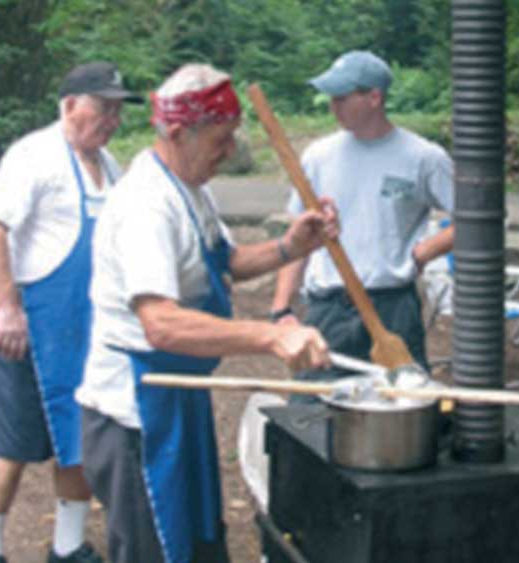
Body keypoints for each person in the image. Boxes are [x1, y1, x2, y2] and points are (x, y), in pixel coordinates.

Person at [74, 63, 339, 563]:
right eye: (221, 140)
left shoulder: (191, 187)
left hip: (177, 397)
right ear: (178, 133)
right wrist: (269, 335)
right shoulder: (146, 207)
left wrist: (290, 245)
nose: (230, 152)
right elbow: (161, 323)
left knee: (198, 540)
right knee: (155, 549)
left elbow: (227, 262)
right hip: (135, 413)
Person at [0, 61, 141, 563]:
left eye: (116, 111)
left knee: (79, 435)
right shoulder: (33, 157)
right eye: (102, 108)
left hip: (87, 330)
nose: (112, 120)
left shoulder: (110, 167)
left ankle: (67, 546)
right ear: (70, 106)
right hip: (30, 327)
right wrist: (6, 308)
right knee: (11, 443)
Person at [269, 50, 455, 385]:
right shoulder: (318, 156)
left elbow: (476, 221)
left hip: (392, 306)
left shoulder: (423, 157)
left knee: (402, 411)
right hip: (328, 307)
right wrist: (281, 308)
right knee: (309, 415)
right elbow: (298, 238)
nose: (332, 105)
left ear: (374, 97)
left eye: (342, 97)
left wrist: (424, 253)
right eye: (331, 97)